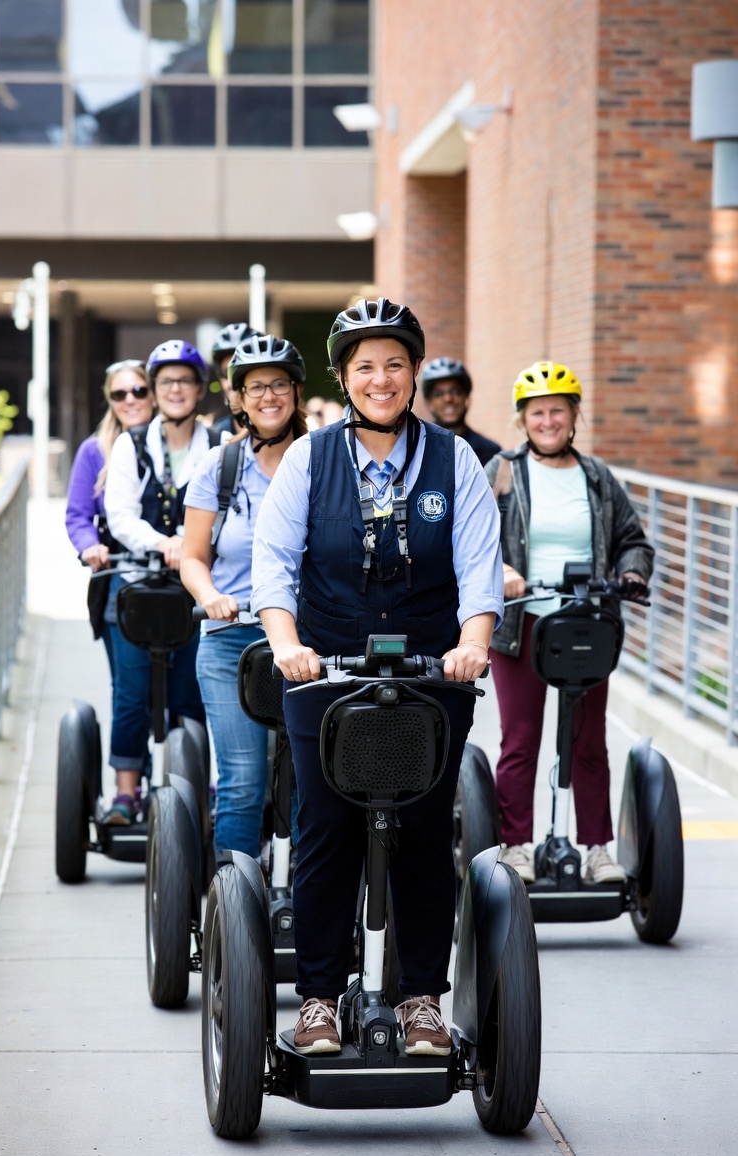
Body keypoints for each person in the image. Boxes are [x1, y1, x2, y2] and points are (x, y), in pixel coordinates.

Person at [252, 298, 503, 1056]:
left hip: (432, 671)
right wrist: (287, 644)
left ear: (415, 372)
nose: (381, 378)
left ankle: (424, 996)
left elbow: (478, 566)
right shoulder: (308, 458)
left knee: (426, 831)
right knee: (324, 827)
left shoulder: (454, 458)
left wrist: (473, 643)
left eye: (395, 363)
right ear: (342, 377)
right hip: (324, 671)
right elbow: (274, 562)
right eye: (365, 366)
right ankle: (321, 998)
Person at [483, 360, 654, 885]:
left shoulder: (598, 477)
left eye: (558, 410)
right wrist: (503, 570)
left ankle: (597, 848)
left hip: (586, 622)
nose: (549, 420)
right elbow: (473, 540)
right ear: (523, 420)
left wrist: (630, 574)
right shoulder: (503, 472)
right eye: (538, 412)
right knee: (520, 740)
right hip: (523, 625)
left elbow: (633, 541)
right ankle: (516, 847)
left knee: (587, 742)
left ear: (574, 415)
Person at [181, 335, 309, 858]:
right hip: (232, 641)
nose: (268, 396)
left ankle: (312, 900)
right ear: (238, 399)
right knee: (241, 784)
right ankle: (233, 912)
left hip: (311, 646)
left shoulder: (324, 459)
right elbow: (192, 557)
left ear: (297, 392)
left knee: (315, 783)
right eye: (255, 387)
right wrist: (210, 594)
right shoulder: (220, 466)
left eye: (279, 384)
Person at [102, 340, 212, 825]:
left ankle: (194, 785)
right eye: (165, 382)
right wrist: (166, 542)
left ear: (199, 389)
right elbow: (120, 515)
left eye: (184, 381)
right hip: (137, 585)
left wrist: (187, 544)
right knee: (132, 692)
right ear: (155, 389)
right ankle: (126, 793)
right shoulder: (132, 443)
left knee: (192, 690)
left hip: (194, 588)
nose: (174, 390)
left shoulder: (216, 444)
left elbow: (222, 508)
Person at [64, 360, 155, 671]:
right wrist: (89, 545)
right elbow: (78, 514)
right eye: (119, 394)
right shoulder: (94, 450)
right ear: (110, 400)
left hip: (175, 569)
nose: (129, 400)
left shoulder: (175, 443)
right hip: (119, 567)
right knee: (128, 688)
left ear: (153, 394)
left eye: (139, 391)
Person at [420, 357, 501, 467]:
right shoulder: (417, 448)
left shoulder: (491, 452)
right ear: (429, 402)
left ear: (466, 396)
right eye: (438, 394)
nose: (448, 399)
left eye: (456, 391)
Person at [208, 322, 260, 443]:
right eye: (227, 374)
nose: (233, 383)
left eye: (243, 373)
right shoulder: (213, 435)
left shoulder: (299, 437)